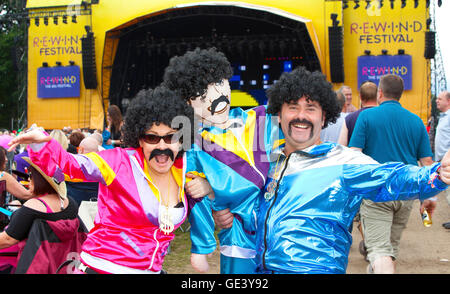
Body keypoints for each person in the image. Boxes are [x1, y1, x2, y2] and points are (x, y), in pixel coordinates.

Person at [214, 66, 449, 274]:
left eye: (311, 108)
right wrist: (230, 216)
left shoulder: (343, 162)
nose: (301, 116)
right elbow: (256, 210)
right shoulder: (266, 163)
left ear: (324, 116)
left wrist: (436, 175)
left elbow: (391, 178)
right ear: (279, 113)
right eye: (293, 107)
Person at [8, 86, 200, 274]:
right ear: (140, 139)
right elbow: (69, 165)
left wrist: (205, 188)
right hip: (102, 268)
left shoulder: (184, 168)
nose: (162, 146)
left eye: (170, 137)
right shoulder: (118, 163)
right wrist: (41, 144)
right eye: (152, 138)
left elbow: (224, 182)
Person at [163, 47, 283, 274]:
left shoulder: (261, 119)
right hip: (239, 238)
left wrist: (213, 187)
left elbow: (284, 165)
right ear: (188, 103)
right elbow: (196, 198)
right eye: (201, 93)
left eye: (219, 83)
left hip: (279, 229)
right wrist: (202, 246)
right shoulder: (194, 144)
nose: (215, 95)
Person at [349, 74, 435, 274]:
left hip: (376, 192)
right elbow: (427, 163)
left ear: (380, 93)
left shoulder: (367, 117)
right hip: (406, 194)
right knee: (390, 250)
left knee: (379, 251)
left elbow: (354, 154)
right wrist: (427, 196)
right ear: (401, 94)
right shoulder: (416, 121)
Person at [338, 81, 378, 146]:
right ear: (377, 96)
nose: (349, 97)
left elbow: (341, 146)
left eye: (350, 94)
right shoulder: (386, 117)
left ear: (360, 97)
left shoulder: (350, 118)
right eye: (346, 95)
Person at [434, 91, 450, 229]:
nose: (437, 101)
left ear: (448, 101)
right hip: (442, 161)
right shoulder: (443, 117)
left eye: (440, 99)